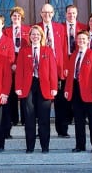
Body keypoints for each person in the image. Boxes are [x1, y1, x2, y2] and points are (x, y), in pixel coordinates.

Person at [15, 25, 58, 153]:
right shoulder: (24, 51)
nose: (35, 37)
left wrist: (54, 87)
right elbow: (19, 71)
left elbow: (53, 71)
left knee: (44, 119)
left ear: (41, 37)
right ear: (29, 37)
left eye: (37, 34)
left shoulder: (48, 51)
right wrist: (18, 87)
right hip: (28, 86)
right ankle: (30, 147)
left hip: (44, 86)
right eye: (33, 34)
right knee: (29, 118)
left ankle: (45, 147)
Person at [64, 30, 92, 153]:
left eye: (83, 39)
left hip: (90, 91)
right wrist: (67, 89)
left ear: (88, 41)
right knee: (78, 120)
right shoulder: (74, 55)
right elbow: (70, 75)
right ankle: (80, 145)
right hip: (75, 90)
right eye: (79, 39)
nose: (81, 41)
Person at [37, 3, 66, 138]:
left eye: (49, 12)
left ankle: (62, 130)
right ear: (41, 14)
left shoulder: (60, 28)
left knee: (60, 102)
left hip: (57, 69)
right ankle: (41, 131)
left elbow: (64, 49)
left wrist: (64, 67)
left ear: (53, 14)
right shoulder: (36, 28)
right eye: (44, 12)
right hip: (41, 70)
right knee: (41, 103)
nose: (47, 15)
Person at [3, 6, 31, 138]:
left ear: (22, 18)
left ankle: (26, 119)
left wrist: (19, 64)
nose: (16, 18)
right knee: (11, 92)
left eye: (18, 16)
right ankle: (14, 118)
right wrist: (12, 64)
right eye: (14, 16)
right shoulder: (6, 31)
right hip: (10, 63)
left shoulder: (28, 30)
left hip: (24, 63)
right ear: (11, 18)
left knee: (24, 91)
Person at [62, 4, 88, 137]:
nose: (71, 15)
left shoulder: (83, 28)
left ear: (77, 14)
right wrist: (65, 67)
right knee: (65, 98)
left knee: (80, 95)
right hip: (65, 65)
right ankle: (64, 127)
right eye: (69, 13)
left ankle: (81, 119)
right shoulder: (60, 28)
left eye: (73, 13)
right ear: (65, 14)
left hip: (80, 65)